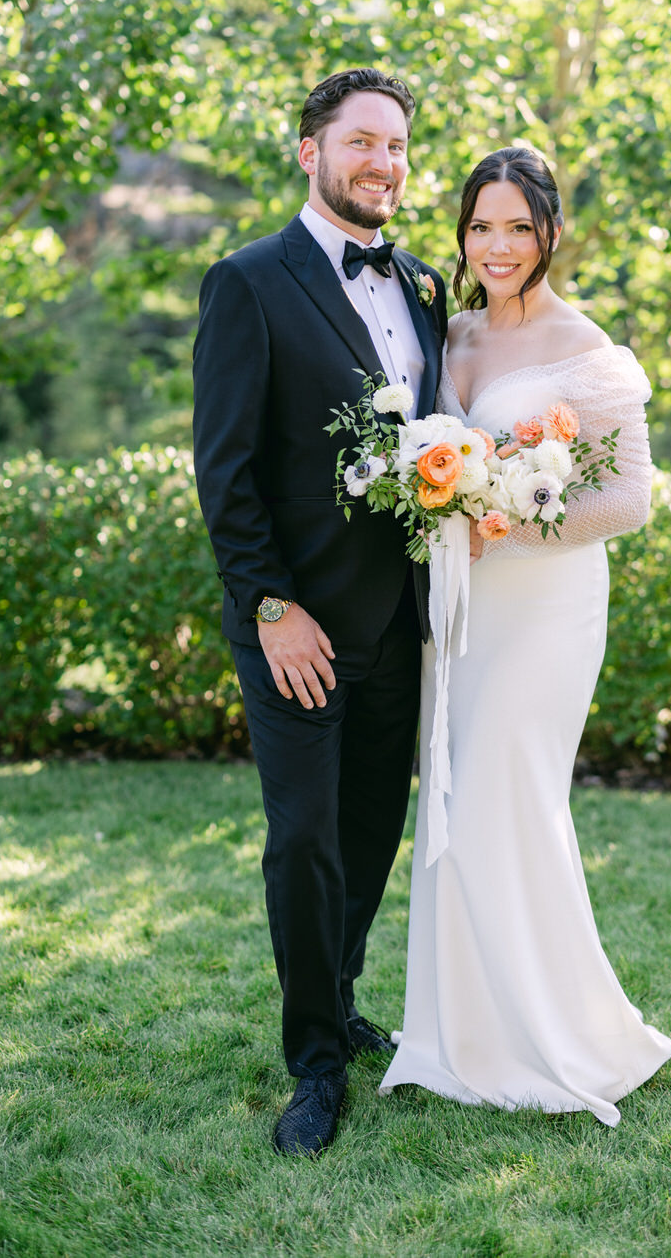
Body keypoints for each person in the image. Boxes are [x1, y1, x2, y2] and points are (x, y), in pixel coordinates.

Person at [380, 146, 671, 1123]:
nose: (495, 245)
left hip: (544, 604)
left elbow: (628, 498)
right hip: (458, 611)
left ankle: (563, 1037)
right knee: (456, 810)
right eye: (479, 226)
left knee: (511, 797)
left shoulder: (581, 345)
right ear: (460, 234)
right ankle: (458, 1036)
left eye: (515, 226)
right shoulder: (449, 334)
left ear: (548, 231)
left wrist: (505, 510)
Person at [192, 68, 447, 1155]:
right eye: (359, 143)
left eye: (394, 146)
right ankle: (313, 1067)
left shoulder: (425, 286)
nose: (381, 164)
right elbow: (226, 472)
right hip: (295, 629)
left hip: (400, 622)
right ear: (310, 151)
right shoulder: (248, 282)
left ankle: (338, 999)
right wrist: (268, 608)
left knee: (367, 835)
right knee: (302, 844)